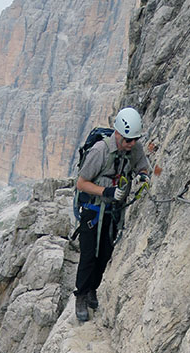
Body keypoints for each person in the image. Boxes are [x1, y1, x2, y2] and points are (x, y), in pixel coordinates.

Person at [74, 107, 150, 322]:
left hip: (113, 212)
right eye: (128, 139)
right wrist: (105, 191)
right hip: (93, 210)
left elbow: (142, 167)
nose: (131, 143)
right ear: (118, 133)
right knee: (89, 255)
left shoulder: (134, 149)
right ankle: (80, 295)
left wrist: (143, 176)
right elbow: (81, 183)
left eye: (134, 139)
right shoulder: (100, 152)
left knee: (105, 254)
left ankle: (92, 290)